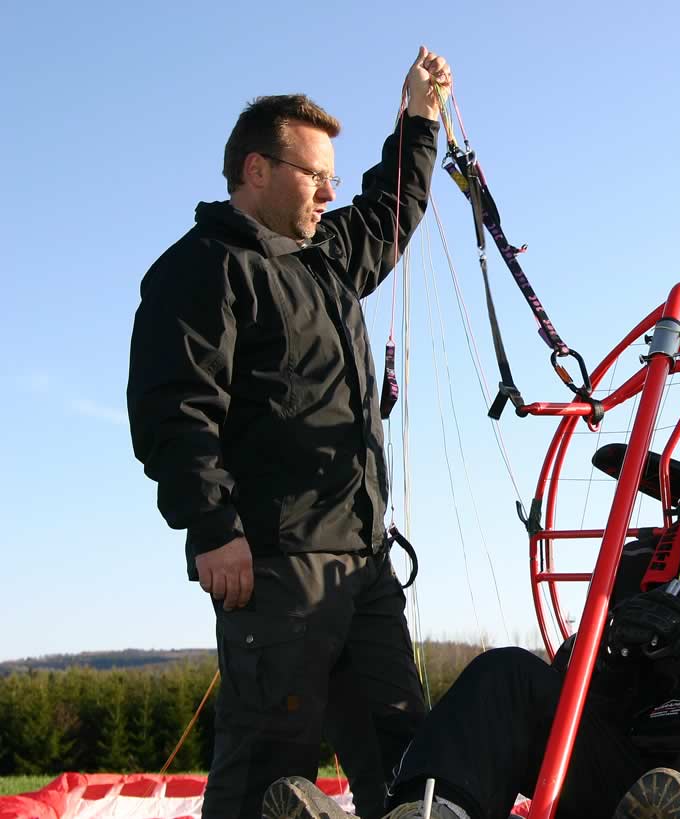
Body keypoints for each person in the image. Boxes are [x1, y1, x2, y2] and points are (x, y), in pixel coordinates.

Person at [263, 382, 680, 819]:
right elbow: (573, 698)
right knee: (506, 673)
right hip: (633, 785)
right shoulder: (641, 563)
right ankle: (431, 811)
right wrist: (602, 648)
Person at [126, 47, 452, 819]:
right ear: (256, 170)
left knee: (408, 759)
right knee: (268, 772)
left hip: (363, 564)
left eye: (331, 177)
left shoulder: (329, 258)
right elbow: (174, 410)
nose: (329, 192)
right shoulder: (201, 269)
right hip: (273, 565)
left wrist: (419, 119)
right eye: (314, 175)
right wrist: (213, 527)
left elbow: (390, 206)